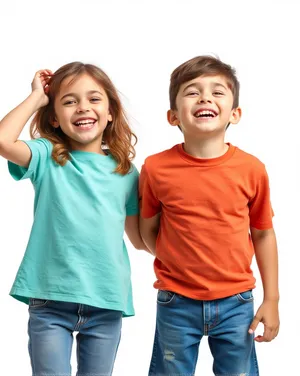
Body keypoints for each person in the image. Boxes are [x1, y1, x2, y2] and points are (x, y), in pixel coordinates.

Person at [0, 62, 147, 376]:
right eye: (69, 101)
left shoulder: (126, 173)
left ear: (110, 112)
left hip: (107, 300)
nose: (83, 107)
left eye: (94, 99)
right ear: (54, 117)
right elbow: (3, 141)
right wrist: (36, 98)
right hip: (51, 300)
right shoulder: (47, 155)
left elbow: (138, 238)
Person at [139, 55, 280, 375]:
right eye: (192, 92)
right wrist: (176, 262)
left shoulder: (251, 169)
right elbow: (148, 228)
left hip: (237, 303)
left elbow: (263, 232)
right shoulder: (156, 168)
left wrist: (271, 299)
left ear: (235, 113)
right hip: (176, 302)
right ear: (173, 116)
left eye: (217, 92)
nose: (204, 97)